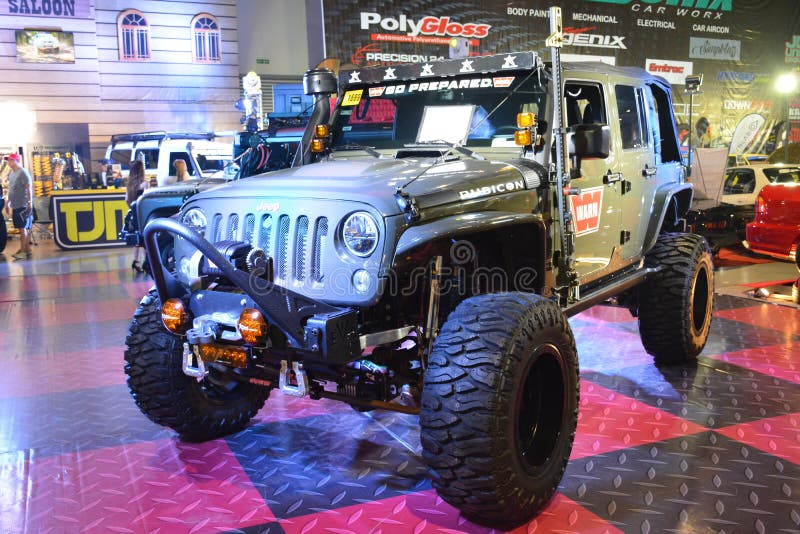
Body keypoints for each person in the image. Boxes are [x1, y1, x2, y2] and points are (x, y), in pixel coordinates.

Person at [4, 153, 33, 259]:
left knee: (23, 228)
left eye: (10, 160)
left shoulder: (23, 173)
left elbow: (28, 188)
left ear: (16, 161)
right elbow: (12, 189)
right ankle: (26, 250)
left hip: (23, 204)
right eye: (8, 160)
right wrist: (8, 203)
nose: (9, 162)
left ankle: (23, 251)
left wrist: (29, 203)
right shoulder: (12, 174)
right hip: (15, 205)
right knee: (21, 227)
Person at [126, 159, 148, 273]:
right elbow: (146, 199)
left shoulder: (129, 185)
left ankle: (135, 260)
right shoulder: (144, 184)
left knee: (137, 239)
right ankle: (146, 261)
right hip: (142, 215)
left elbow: (126, 200)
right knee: (145, 239)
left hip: (133, 215)